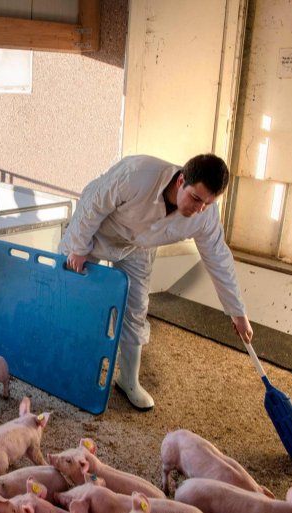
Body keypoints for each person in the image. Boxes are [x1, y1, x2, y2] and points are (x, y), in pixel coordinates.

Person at [59, 154, 253, 411]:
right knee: (71, 294)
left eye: (208, 203)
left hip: (139, 247)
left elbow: (219, 259)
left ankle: (128, 380)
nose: (199, 209)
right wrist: (79, 246)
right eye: (196, 198)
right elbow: (94, 204)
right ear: (181, 180)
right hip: (99, 229)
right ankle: (61, 365)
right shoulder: (137, 173)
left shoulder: (204, 214)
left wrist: (238, 312)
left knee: (136, 307)